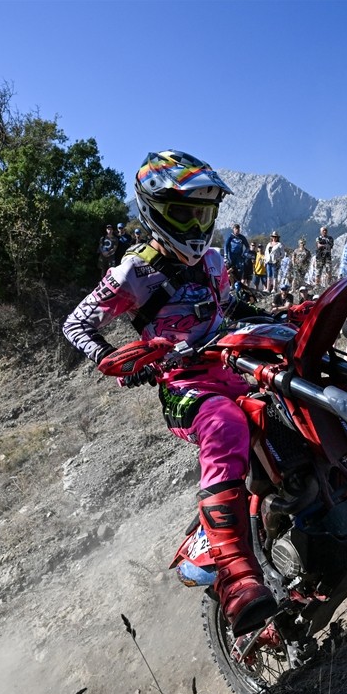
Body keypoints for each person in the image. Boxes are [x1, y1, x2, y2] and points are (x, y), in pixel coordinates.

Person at [62, 149, 274, 636]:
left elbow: (226, 307)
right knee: (225, 424)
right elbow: (76, 323)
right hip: (185, 387)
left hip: (233, 364)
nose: (197, 224)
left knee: (289, 398)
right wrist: (118, 361)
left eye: (204, 212)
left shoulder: (215, 260)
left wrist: (268, 316)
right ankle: (237, 579)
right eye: (185, 213)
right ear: (155, 210)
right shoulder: (133, 273)